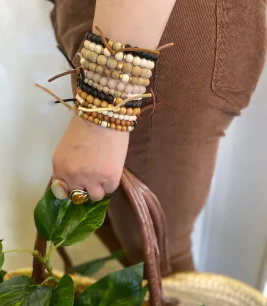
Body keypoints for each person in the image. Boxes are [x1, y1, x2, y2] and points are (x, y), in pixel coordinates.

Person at [48, 0, 266, 275]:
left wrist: (101, 121)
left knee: (160, 258)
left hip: (148, 31)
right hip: (126, 28)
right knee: (133, 236)